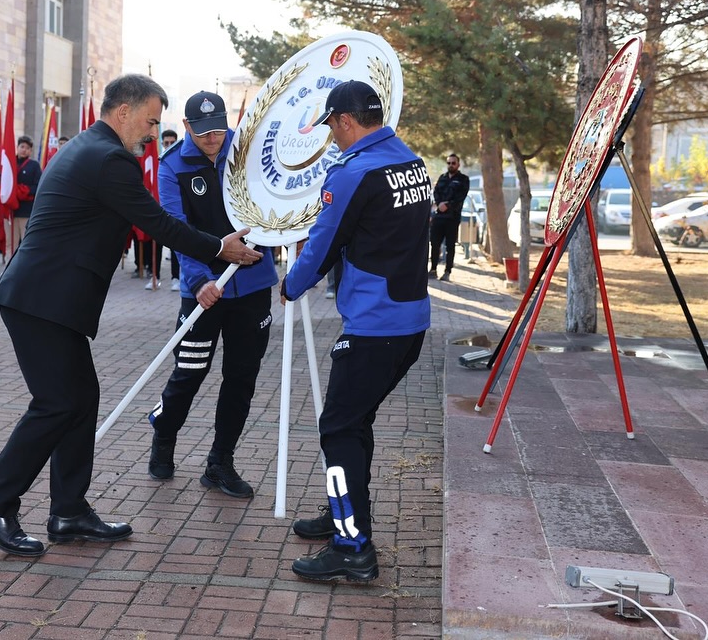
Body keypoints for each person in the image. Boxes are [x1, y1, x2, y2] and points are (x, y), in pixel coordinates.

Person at [0, 73, 262, 557]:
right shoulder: (109, 159)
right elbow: (159, 222)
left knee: (80, 398)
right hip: (42, 302)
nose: (152, 132)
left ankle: (68, 511)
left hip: (48, 300)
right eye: (149, 121)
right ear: (123, 112)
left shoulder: (90, 147)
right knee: (57, 403)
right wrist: (219, 248)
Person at [280, 80, 431, 582]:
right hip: (410, 321)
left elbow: (322, 246)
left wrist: (291, 285)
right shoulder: (410, 161)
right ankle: (340, 510)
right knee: (354, 422)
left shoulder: (354, 172)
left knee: (338, 428)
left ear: (345, 120)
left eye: (332, 128)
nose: (333, 138)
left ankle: (352, 547)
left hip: (374, 326)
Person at [148, 91, 278, 497]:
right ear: (186, 127)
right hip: (203, 291)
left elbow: (273, 205)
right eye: (203, 132)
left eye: (218, 129)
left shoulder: (247, 151)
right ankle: (164, 436)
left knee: (241, 378)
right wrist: (200, 279)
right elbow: (176, 228)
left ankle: (220, 463)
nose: (212, 139)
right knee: (189, 373)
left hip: (253, 285)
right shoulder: (171, 167)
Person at [429, 152, 469, 281]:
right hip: (439, 217)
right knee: (435, 244)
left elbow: (460, 197)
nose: (451, 165)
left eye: (453, 163)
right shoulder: (442, 178)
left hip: (452, 217)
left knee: (450, 246)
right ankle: (433, 269)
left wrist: (448, 205)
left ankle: (447, 271)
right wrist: (440, 204)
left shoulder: (463, 179)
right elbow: (436, 192)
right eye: (449, 163)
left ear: (458, 164)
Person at [4, 135, 41, 256]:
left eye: (27, 148)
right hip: (10, 211)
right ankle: (9, 269)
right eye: (22, 146)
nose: (24, 150)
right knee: (10, 242)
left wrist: (23, 191)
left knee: (26, 241)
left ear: (31, 151)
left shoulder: (34, 166)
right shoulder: (9, 163)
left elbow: (38, 186)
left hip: (26, 210)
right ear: (17, 147)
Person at [160, 128, 181, 286]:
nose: (169, 145)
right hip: (159, 210)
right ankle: (155, 275)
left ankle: (176, 276)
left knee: (178, 242)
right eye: (166, 143)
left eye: (172, 143)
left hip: (176, 211)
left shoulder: (180, 161)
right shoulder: (156, 161)